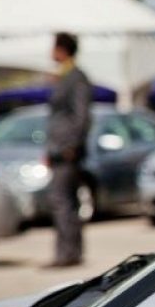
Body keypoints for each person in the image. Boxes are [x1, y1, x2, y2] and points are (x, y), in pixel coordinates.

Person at [44, 31, 92, 268]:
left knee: (61, 201)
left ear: (62, 50)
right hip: (58, 149)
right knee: (66, 201)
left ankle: (67, 253)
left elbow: (81, 114)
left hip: (67, 150)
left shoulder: (76, 77)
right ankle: (70, 252)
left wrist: (72, 144)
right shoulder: (63, 76)